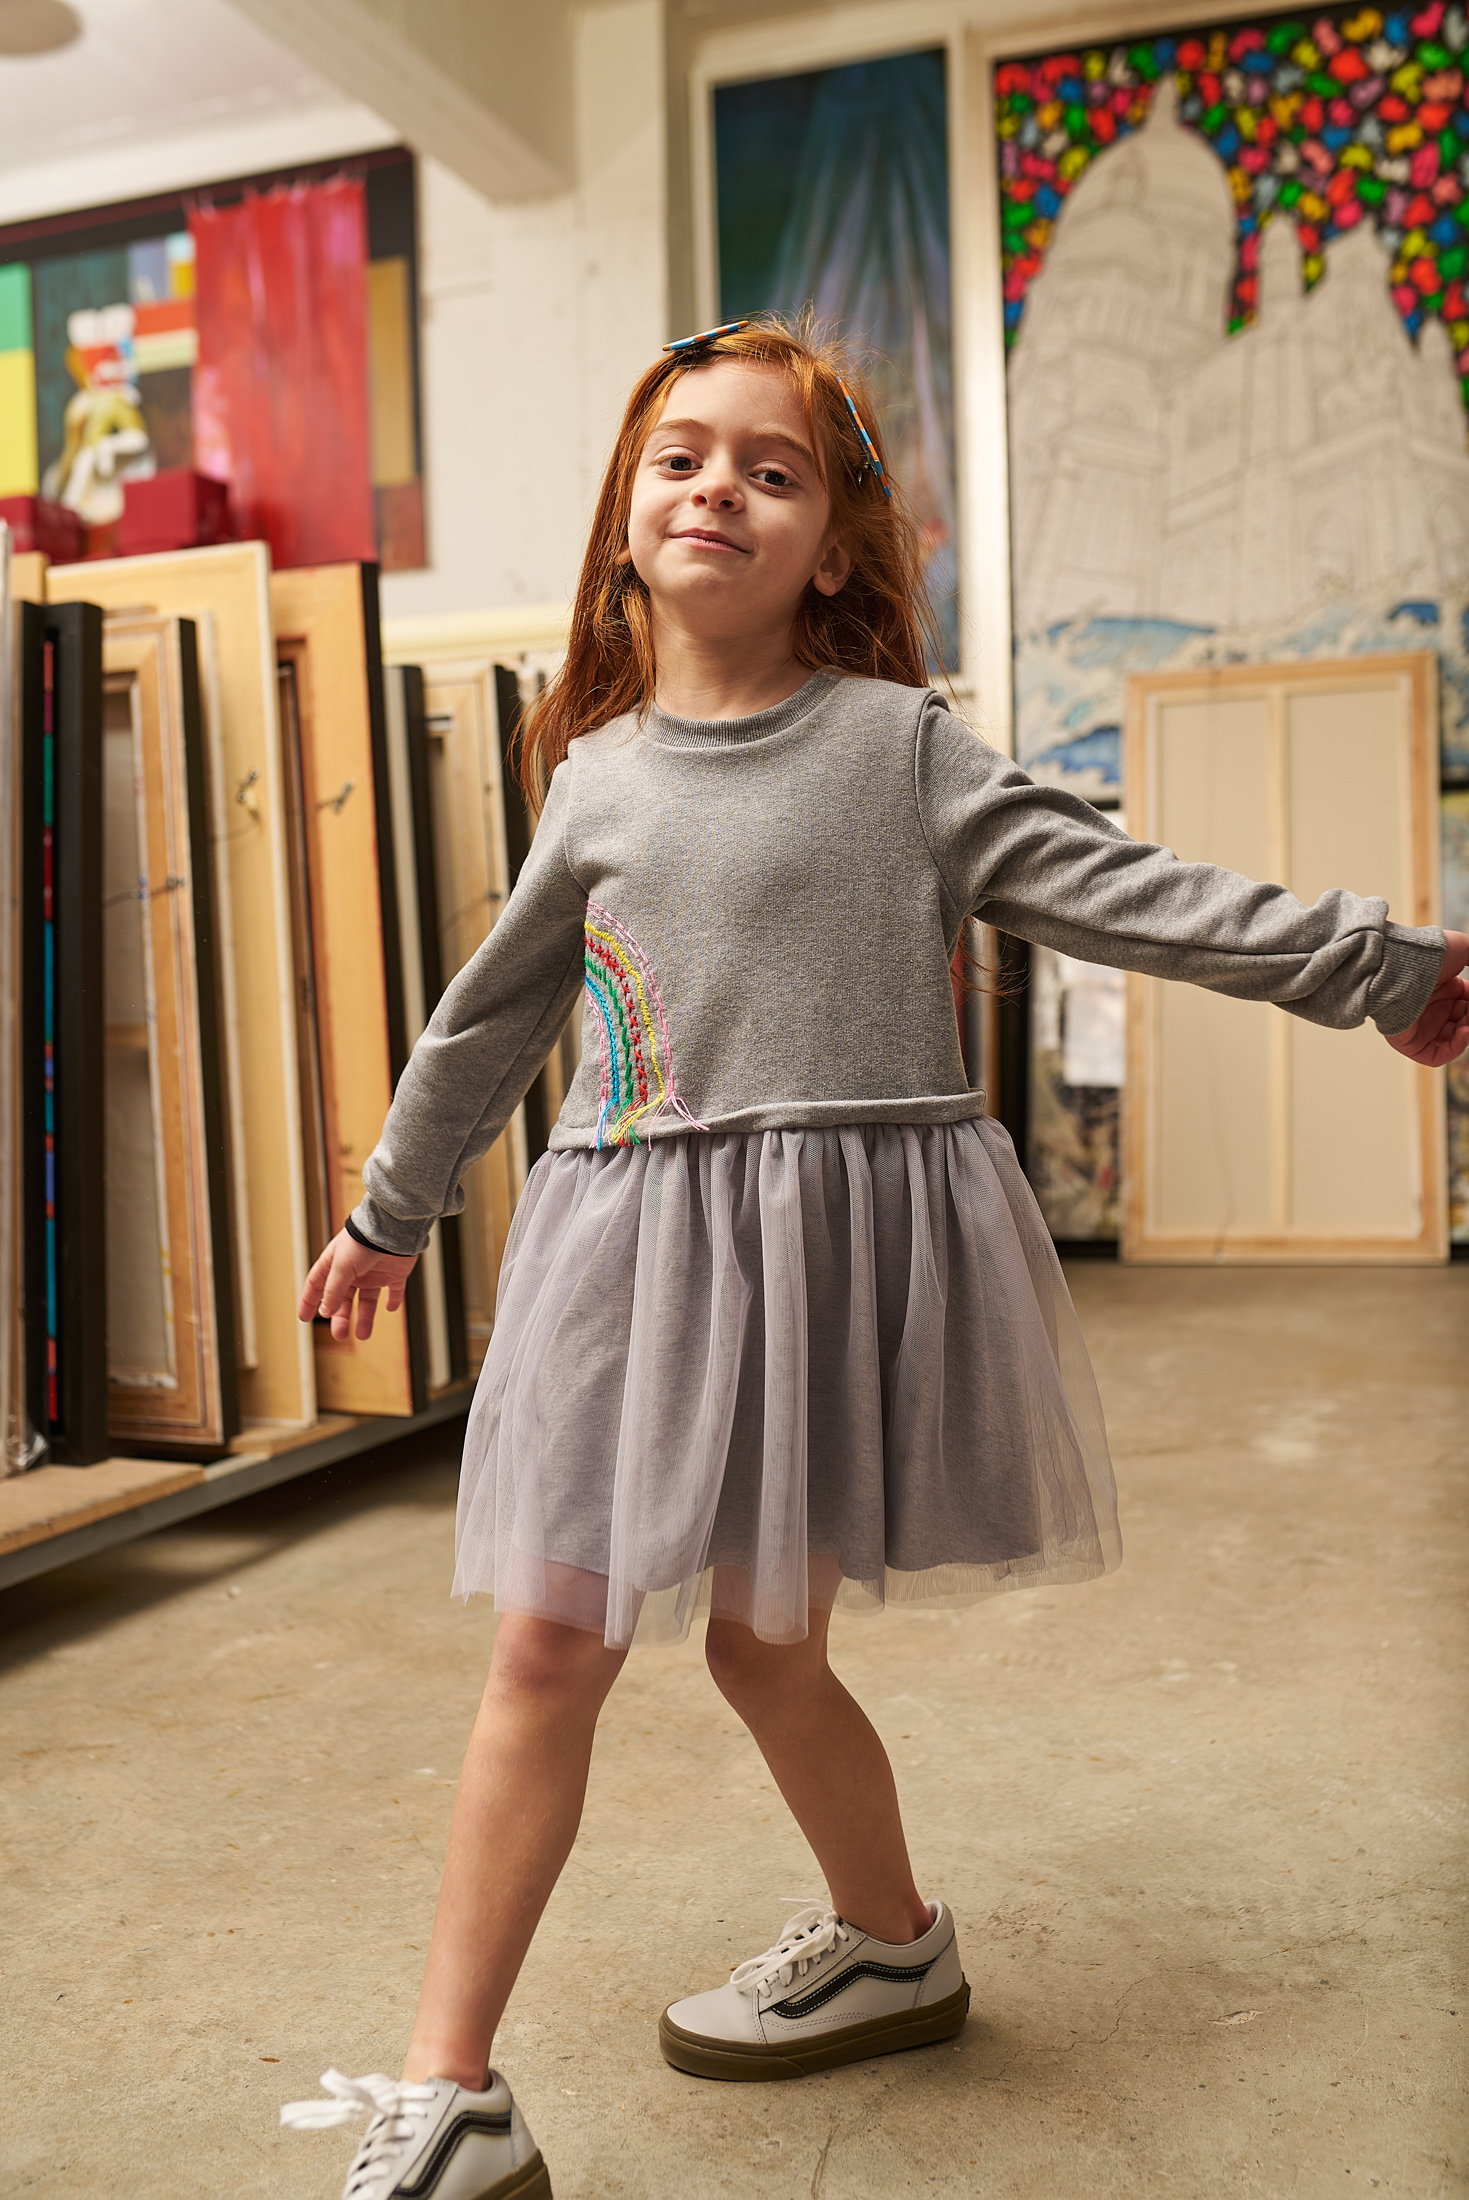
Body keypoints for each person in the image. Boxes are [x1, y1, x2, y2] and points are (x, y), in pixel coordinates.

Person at [281, 318, 1469, 2200]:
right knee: (550, 1643)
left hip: (825, 1271)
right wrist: (385, 1211)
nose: (718, 489)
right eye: (681, 457)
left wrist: (1373, 965)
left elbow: (1127, 890)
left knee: (765, 1652)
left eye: (771, 470)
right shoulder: (592, 776)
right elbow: (486, 1020)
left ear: (833, 549)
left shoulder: (897, 748)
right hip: (628, 1257)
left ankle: (892, 1945)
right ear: (625, 518)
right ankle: (452, 2090)